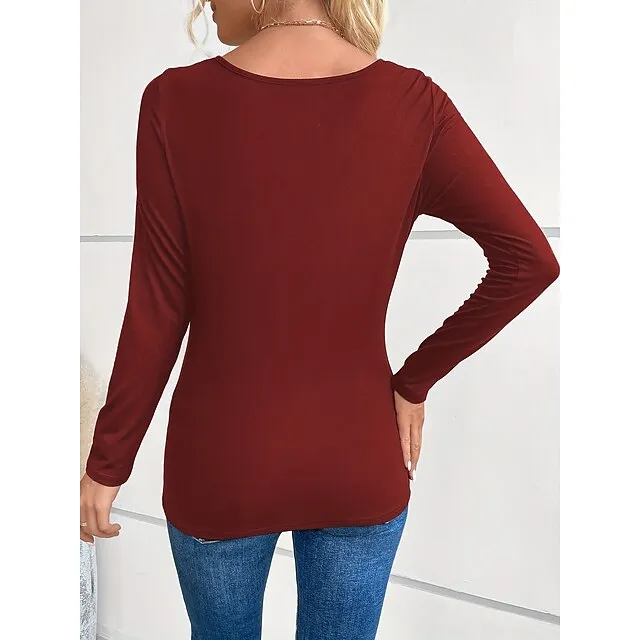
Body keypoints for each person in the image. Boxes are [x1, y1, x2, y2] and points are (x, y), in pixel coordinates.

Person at [79, 0, 560, 638]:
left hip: (221, 462)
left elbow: (157, 306)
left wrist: (107, 464)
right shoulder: (413, 104)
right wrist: (413, 381)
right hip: (358, 457)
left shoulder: (174, 101)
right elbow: (529, 261)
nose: (205, 5)